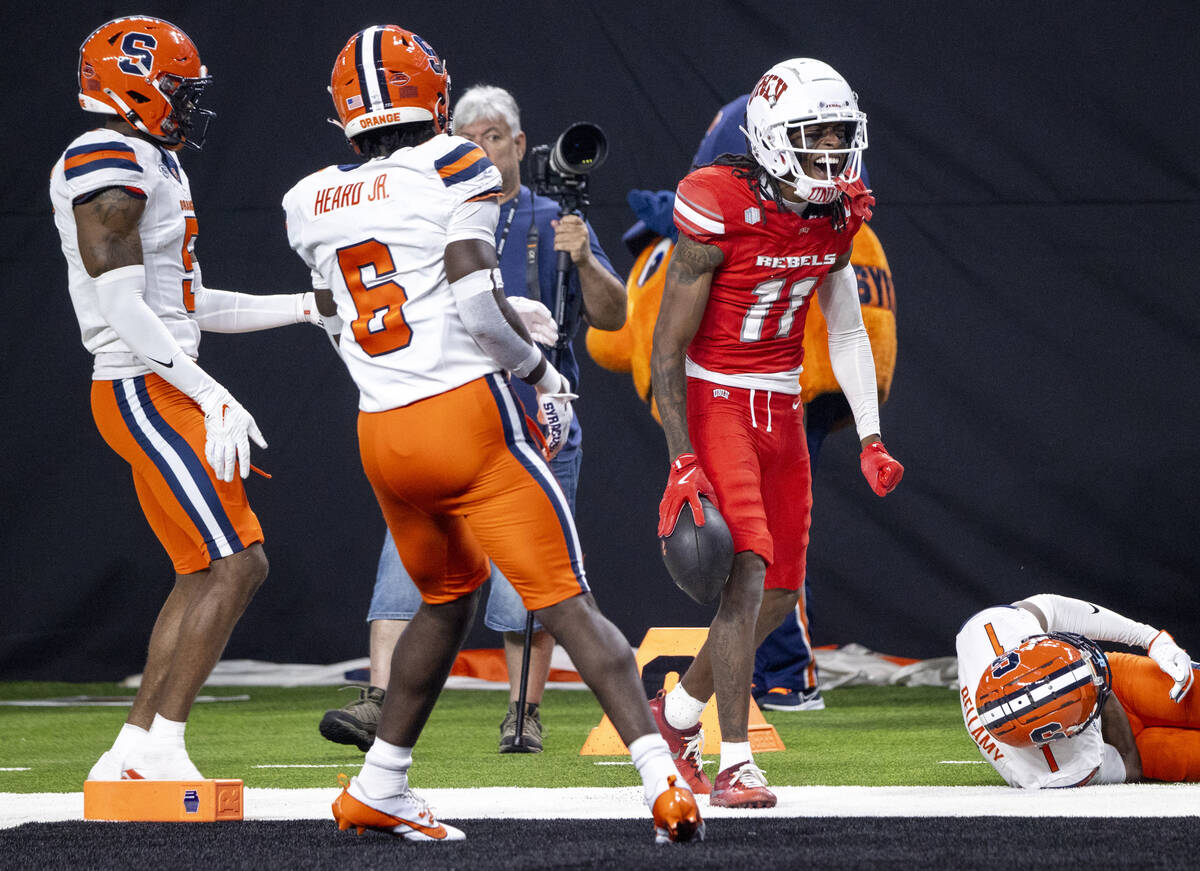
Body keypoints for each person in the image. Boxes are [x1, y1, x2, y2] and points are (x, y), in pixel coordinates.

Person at [283, 25, 700, 843]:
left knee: (446, 601)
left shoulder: (306, 199)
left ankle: (381, 784)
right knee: (568, 601)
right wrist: (543, 373)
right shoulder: (454, 165)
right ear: (429, 96)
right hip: (464, 418)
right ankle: (664, 782)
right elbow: (476, 302)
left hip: (383, 432)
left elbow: (339, 317)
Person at [50, 16, 324, 781]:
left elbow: (183, 301)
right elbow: (124, 307)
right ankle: (162, 746)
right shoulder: (104, 155)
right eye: (175, 87)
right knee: (241, 562)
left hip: (154, 377)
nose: (186, 104)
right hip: (142, 384)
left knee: (203, 567)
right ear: (131, 83)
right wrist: (210, 394)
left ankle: (132, 750)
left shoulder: (148, 158)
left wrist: (306, 306)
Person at [318, 83, 627, 755]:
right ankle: (379, 700)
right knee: (406, 569)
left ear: (518, 145)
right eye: (466, 137)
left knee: (539, 580)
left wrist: (578, 255)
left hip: (536, 413)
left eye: (491, 136)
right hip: (453, 404)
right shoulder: (428, 204)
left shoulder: (550, 217)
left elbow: (613, 316)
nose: (479, 148)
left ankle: (524, 711)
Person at [648, 58, 903, 808]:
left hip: (782, 406)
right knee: (747, 571)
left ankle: (677, 713)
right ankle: (734, 761)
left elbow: (849, 330)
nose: (830, 149)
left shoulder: (837, 213)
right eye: (813, 133)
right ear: (769, 136)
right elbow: (667, 346)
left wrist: (870, 436)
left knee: (782, 586)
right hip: (717, 397)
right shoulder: (714, 202)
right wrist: (680, 459)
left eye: (838, 133)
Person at [956, 593, 1200, 787]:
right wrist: (1099, 687)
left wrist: (1151, 638)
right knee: (1185, 756)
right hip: (1116, 742)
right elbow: (1130, 767)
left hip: (1110, 682)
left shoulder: (991, 631)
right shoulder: (1059, 771)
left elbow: (1053, 607)